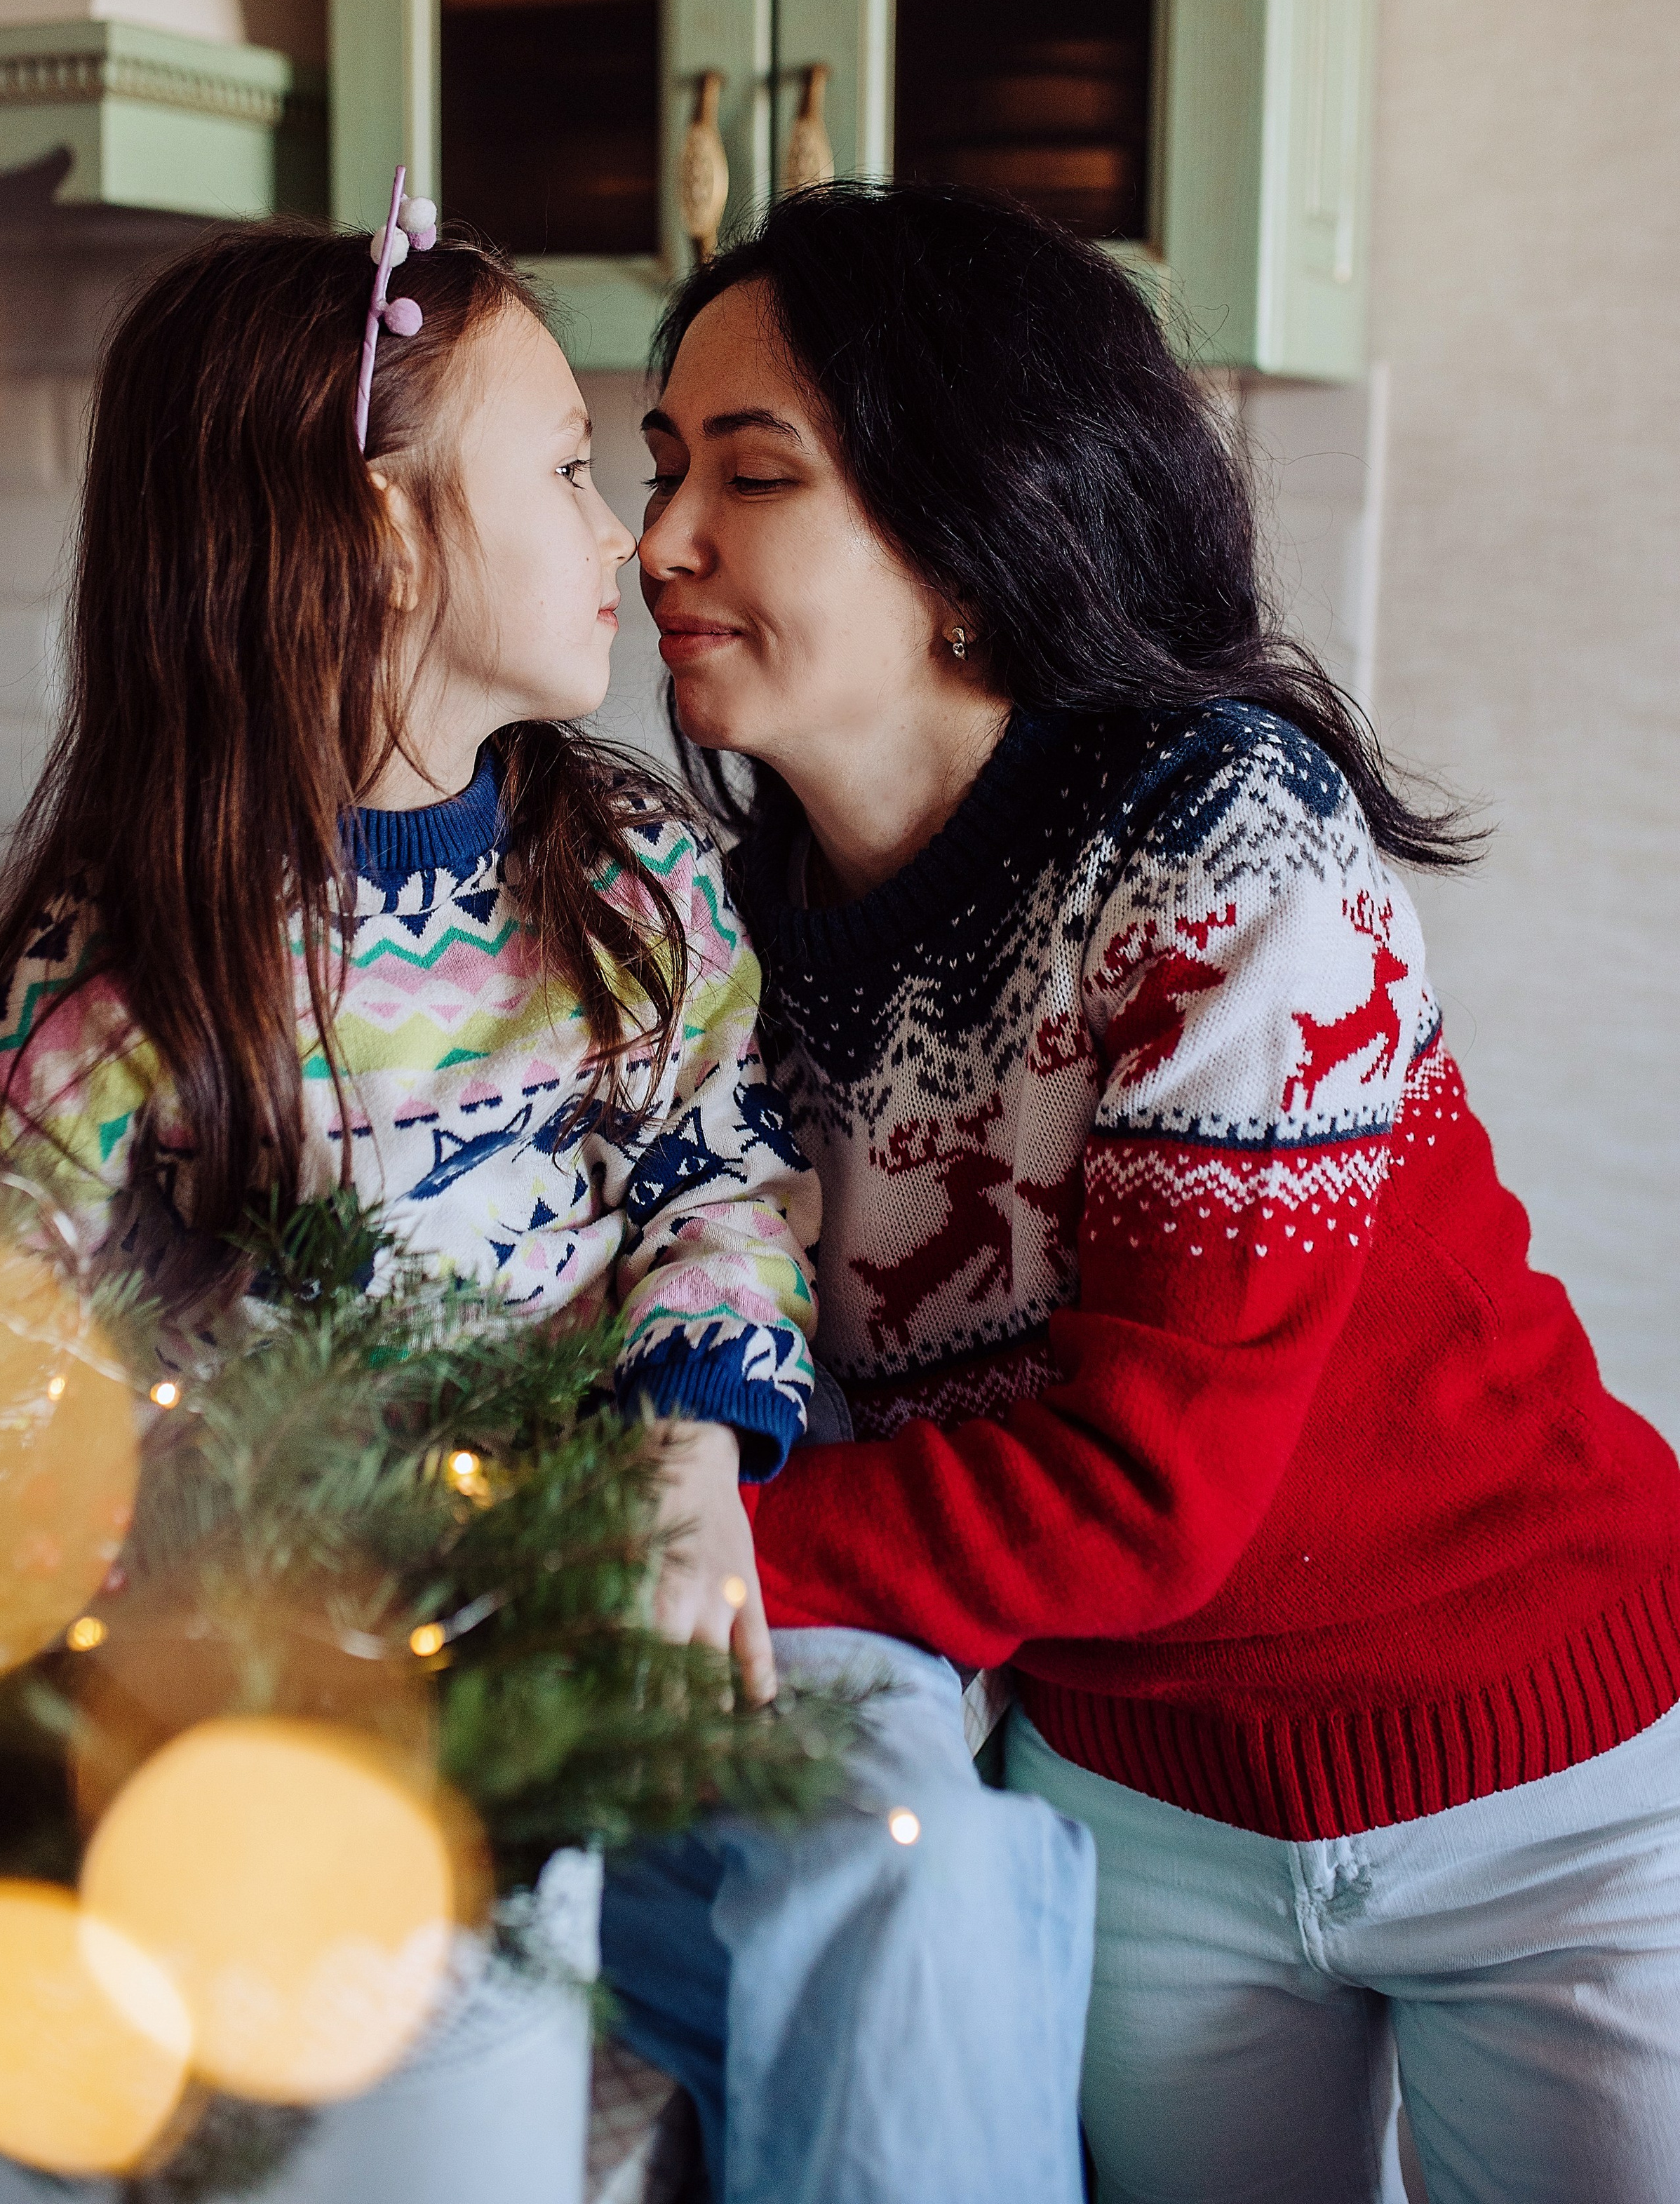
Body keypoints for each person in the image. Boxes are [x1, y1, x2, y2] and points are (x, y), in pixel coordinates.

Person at [0, 196, 1092, 2204]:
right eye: (565, 469)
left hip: (638, 1566)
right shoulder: (133, 960)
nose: (630, 536)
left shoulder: (625, 861)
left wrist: (695, 1452)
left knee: (909, 1821)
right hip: (308, 1645)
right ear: (381, 540)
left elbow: (719, 1169)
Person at [611, 179, 1680, 2204]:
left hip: (1549, 1785)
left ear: (966, 537)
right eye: (661, 468)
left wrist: (690, 1538)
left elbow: (1146, 1492)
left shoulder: (1224, 846)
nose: (659, 540)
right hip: (1144, 1817)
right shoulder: (725, 942)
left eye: (751, 475)